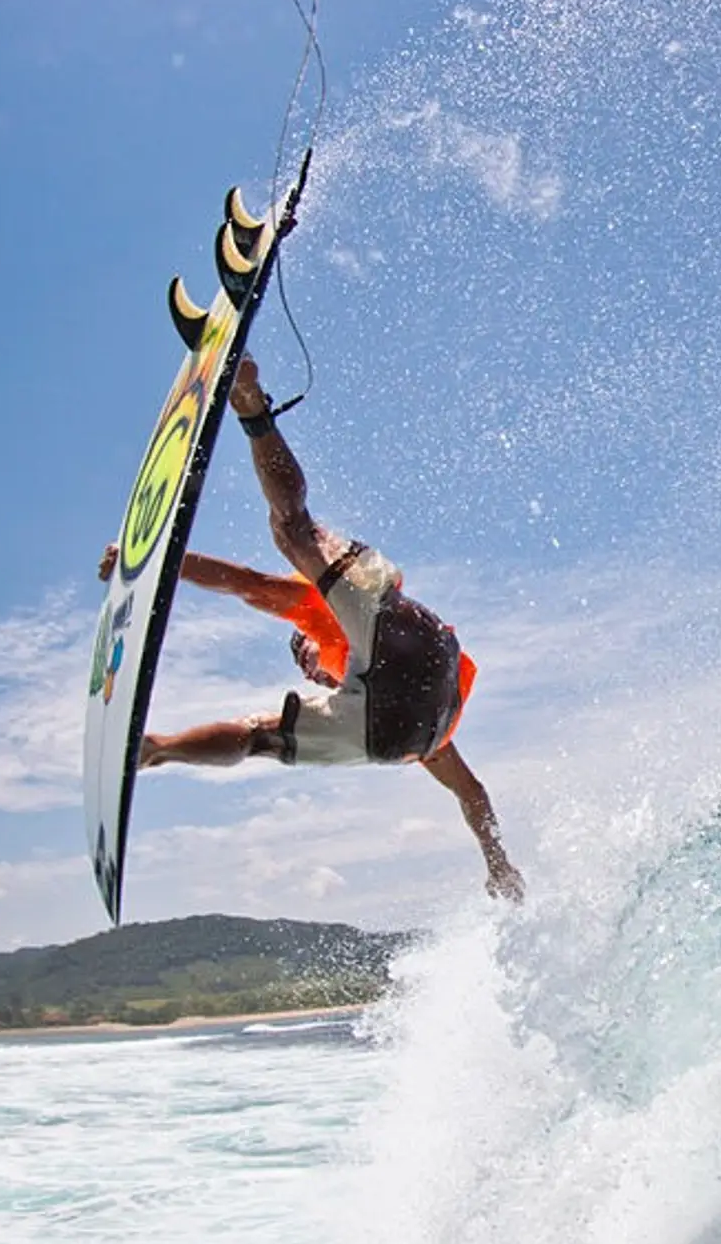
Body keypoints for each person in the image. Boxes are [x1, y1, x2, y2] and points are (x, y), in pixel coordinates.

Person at [99, 353, 524, 902]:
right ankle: (252, 408)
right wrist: (499, 864)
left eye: (302, 655)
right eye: (306, 663)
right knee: (298, 532)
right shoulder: (422, 729)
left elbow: (246, 583)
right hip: (427, 675)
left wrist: (158, 567)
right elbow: (473, 794)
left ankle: (154, 750)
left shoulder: (317, 617)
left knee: (259, 731)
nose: (309, 666)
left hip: (400, 669)